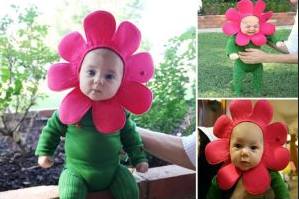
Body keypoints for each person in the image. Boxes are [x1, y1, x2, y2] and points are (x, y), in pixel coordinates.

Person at [35, 10, 154, 199]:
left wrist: (138, 158)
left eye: (109, 76)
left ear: (122, 82)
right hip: (77, 171)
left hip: (113, 170)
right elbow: (52, 130)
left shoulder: (120, 113)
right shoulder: (69, 109)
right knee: (71, 194)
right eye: (91, 72)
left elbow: (130, 136)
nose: (99, 80)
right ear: (78, 73)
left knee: (130, 191)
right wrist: (45, 152)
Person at [205, 100, 290, 199]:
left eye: (253, 147)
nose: (244, 152)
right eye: (238, 145)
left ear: (264, 151)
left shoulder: (271, 174)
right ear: (228, 147)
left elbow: (283, 194)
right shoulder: (223, 175)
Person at [222, 0, 283, 95]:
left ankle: (257, 89)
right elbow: (230, 44)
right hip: (241, 63)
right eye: (248, 26)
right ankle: (237, 90)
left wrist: (277, 41)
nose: (252, 29)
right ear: (240, 25)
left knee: (258, 77)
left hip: (257, 63)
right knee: (237, 77)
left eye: (255, 26)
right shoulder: (236, 36)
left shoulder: (260, 34)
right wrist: (232, 53)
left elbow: (270, 35)